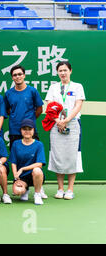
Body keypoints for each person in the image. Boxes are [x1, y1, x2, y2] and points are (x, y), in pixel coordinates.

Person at [44, 60, 85, 200]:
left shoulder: (77, 86)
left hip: (72, 124)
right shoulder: (53, 87)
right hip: (56, 124)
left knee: (71, 155)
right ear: (57, 72)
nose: (62, 73)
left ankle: (70, 189)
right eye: (60, 70)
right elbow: (49, 106)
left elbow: (78, 105)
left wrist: (66, 120)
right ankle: (60, 188)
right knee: (58, 155)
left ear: (70, 71)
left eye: (65, 70)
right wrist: (58, 121)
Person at [4, 65, 43, 149]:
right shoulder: (8, 93)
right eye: (15, 75)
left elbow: (40, 109)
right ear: (12, 78)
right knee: (16, 158)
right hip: (15, 130)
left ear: (24, 75)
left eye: (20, 74)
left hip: (30, 130)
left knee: (33, 156)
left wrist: (31, 119)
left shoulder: (32, 91)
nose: (17, 76)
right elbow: (7, 110)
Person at [10, 119, 46, 205]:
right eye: (24, 129)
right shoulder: (16, 144)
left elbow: (40, 164)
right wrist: (16, 176)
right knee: (17, 191)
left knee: (37, 170)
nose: (27, 131)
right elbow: (13, 162)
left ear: (33, 130)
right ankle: (26, 189)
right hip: (21, 177)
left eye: (29, 129)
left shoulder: (39, 144)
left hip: (35, 175)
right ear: (21, 130)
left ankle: (37, 194)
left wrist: (22, 169)